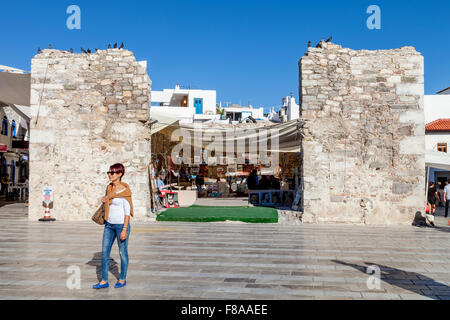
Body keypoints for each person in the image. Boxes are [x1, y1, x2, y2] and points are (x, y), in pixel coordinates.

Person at [93, 163, 133, 290]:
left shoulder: (125, 190)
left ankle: (122, 279)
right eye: (109, 173)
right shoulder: (109, 188)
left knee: (122, 252)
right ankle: (104, 281)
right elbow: (108, 202)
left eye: (113, 173)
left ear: (120, 174)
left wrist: (125, 229)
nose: (110, 175)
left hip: (121, 225)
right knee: (105, 253)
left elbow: (127, 212)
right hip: (109, 225)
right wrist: (104, 199)